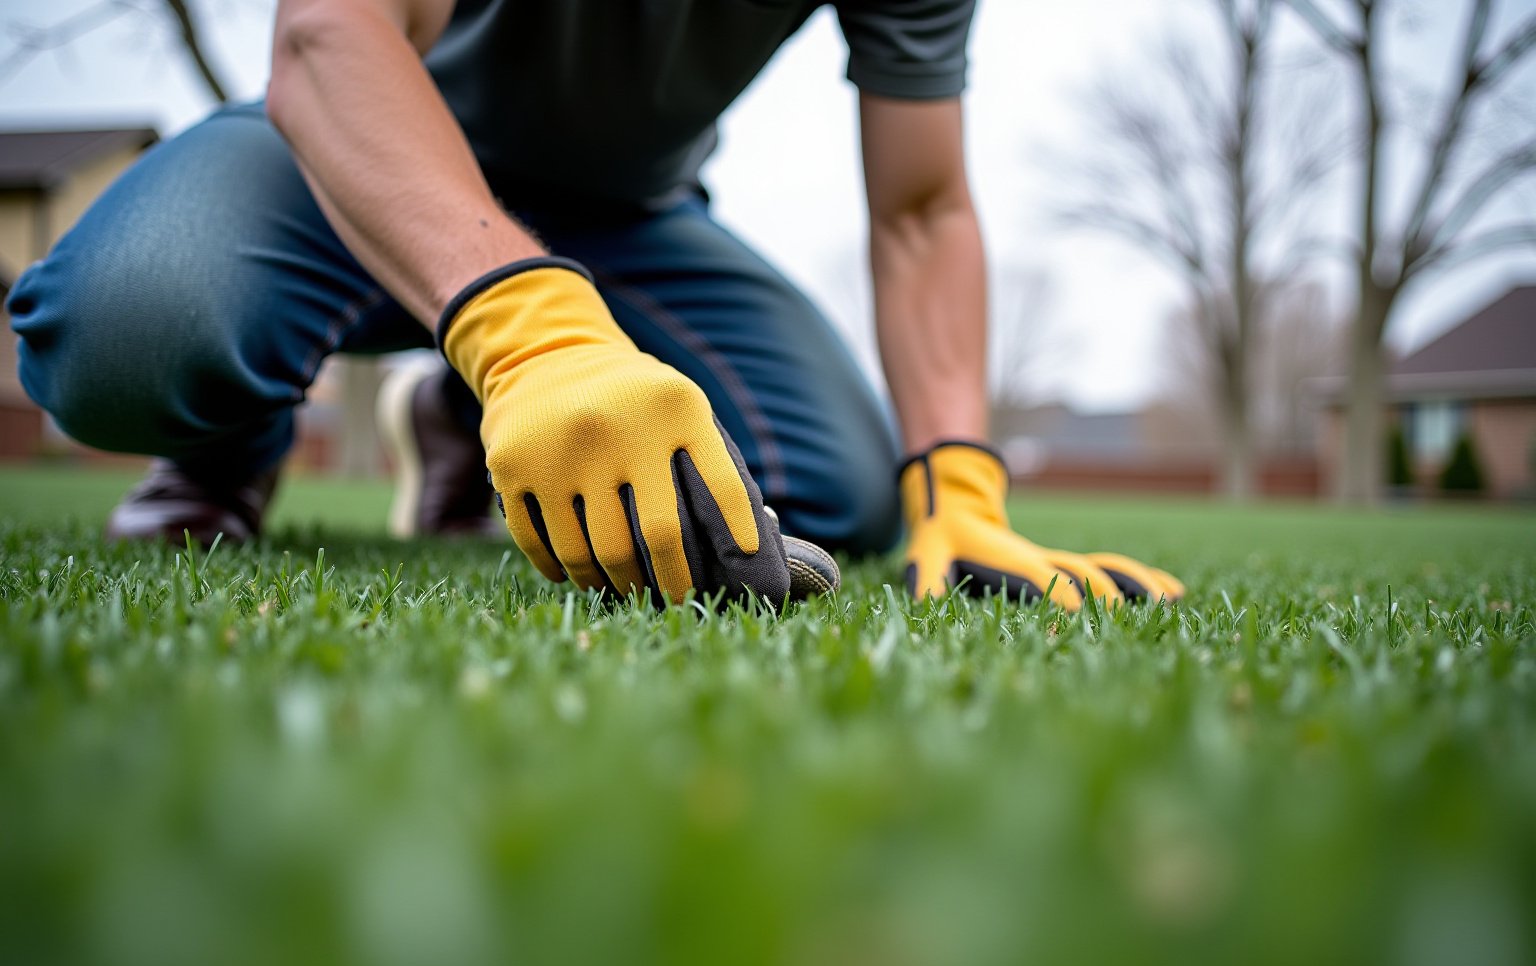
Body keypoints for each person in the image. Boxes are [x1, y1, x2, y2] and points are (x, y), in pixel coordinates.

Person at [6, 0, 1181, 608]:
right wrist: (532, 339)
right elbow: (332, 33)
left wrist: (961, 487)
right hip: (352, 153)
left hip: (630, 220)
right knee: (124, 331)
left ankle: (460, 428)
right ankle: (229, 449)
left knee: (838, 495)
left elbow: (923, 207)